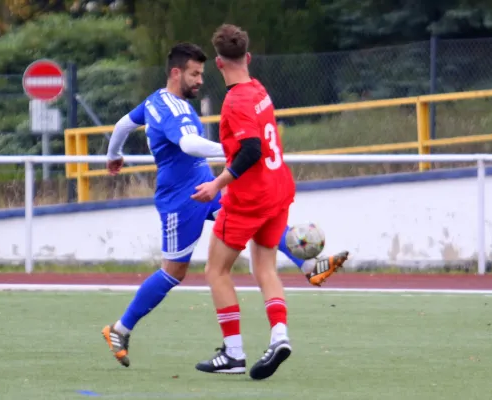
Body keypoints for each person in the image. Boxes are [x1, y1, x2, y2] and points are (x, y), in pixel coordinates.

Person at [101, 42, 348, 369]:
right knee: (174, 272)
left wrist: (113, 155)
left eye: (202, 73)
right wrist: (230, 150)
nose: (200, 80)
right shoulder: (175, 110)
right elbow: (189, 144)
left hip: (205, 186)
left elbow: (122, 125)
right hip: (182, 201)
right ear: (176, 73)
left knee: (252, 214)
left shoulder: (154, 101)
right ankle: (120, 328)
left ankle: (309, 267)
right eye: (194, 74)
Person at [192, 24, 334, 380]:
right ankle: (279, 336)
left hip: (249, 199)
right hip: (278, 192)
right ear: (248, 58)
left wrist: (216, 184)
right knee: (264, 268)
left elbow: (251, 151)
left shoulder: (236, 101)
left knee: (216, 270)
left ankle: (234, 354)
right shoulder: (258, 90)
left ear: (219, 64)